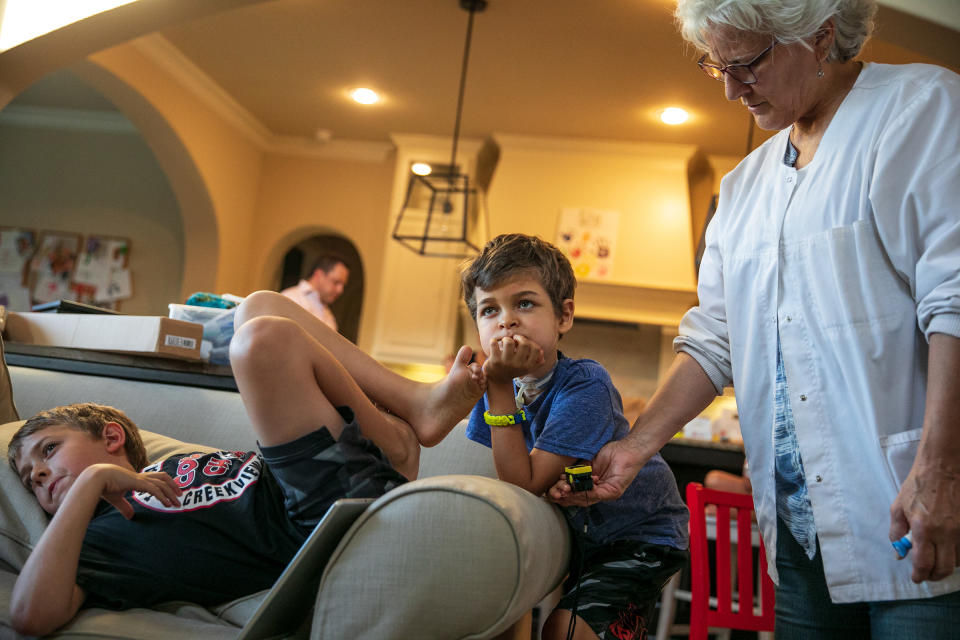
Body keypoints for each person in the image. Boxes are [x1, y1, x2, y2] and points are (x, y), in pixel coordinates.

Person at [550, 0, 960, 635]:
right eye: (717, 67)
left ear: (820, 36)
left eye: (746, 64)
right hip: (799, 535)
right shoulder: (744, 187)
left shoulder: (918, 110)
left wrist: (941, 472)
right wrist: (634, 445)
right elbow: (714, 339)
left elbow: (953, 300)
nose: (731, 89)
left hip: (907, 508)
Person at [7, 290, 484, 636]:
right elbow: (29, 616)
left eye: (48, 451)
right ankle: (402, 437)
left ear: (112, 436)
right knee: (259, 342)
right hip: (311, 526)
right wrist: (90, 481)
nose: (40, 475)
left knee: (259, 307)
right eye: (30, 478)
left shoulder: (171, 467)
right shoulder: (98, 544)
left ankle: (411, 411)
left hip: (311, 477)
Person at [462, 233, 689, 640]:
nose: (506, 320)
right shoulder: (495, 392)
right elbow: (493, 476)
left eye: (524, 303)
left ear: (564, 316)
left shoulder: (584, 384)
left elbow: (524, 482)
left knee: (566, 630)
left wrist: (498, 384)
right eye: (488, 309)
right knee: (500, 608)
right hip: (578, 536)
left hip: (640, 535)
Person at [280, 253, 350, 331]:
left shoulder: (330, 318)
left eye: (343, 285)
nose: (340, 290)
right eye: (336, 282)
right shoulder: (290, 298)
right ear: (319, 275)